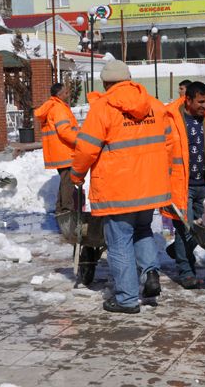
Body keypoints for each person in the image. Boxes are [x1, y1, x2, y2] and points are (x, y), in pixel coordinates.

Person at [70, 60, 173, 314]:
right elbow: (169, 142)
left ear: (106, 84)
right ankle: (150, 274)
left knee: (119, 242)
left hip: (117, 189)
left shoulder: (103, 108)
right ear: (129, 78)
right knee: (142, 230)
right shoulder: (154, 105)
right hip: (150, 186)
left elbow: (86, 147)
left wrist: (76, 175)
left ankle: (126, 299)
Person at [160, 82, 205, 289]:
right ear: (188, 100)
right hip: (180, 184)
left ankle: (178, 252)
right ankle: (186, 271)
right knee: (184, 228)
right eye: (200, 102)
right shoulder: (170, 117)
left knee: (202, 229)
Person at [34, 82, 80, 214]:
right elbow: (65, 131)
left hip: (59, 151)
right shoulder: (59, 108)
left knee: (65, 181)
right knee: (68, 182)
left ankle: (61, 209)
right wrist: (79, 142)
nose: (68, 94)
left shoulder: (55, 106)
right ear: (59, 95)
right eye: (66, 92)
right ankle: (67, 210)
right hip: (65, 150)